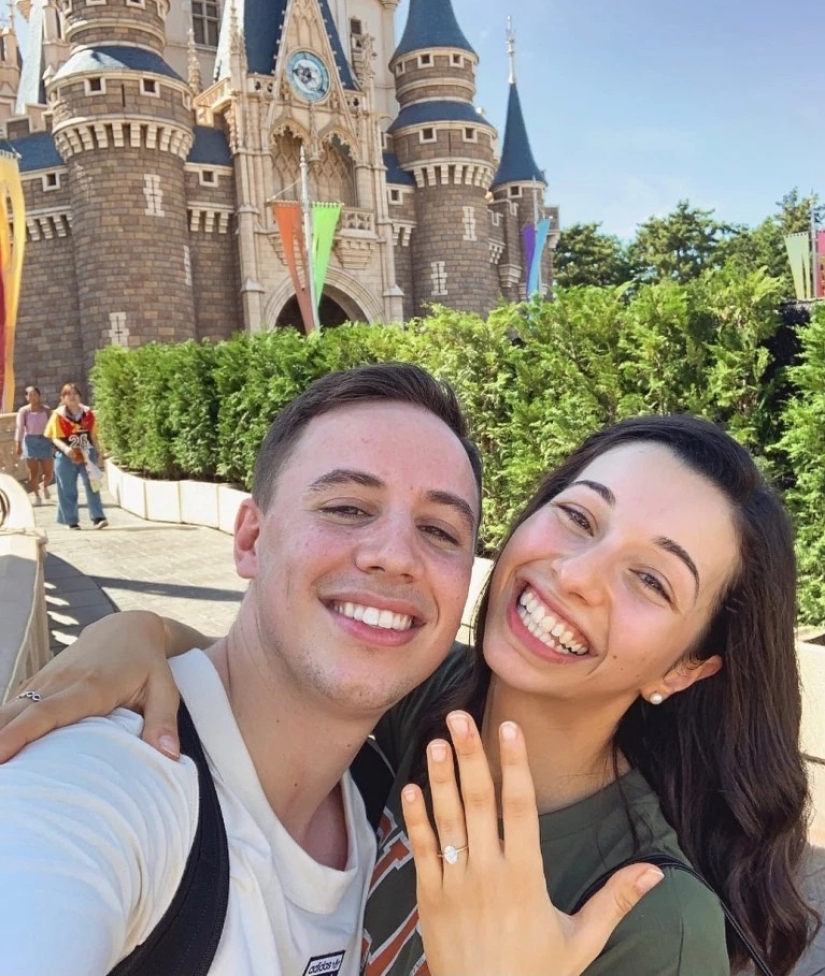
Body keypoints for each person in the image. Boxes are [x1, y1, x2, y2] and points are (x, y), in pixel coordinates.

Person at [0, 363, 654, 976]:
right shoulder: (98, 789)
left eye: (439, 530)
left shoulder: (384, 797)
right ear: (251, 538)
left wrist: (144, 626)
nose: (395, 555)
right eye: (345, 507)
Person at [45, 382, 108, 530]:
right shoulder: (58, 415)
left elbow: (93, 435)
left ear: (80, 396)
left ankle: (98, 517)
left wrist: (99, 452)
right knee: (67, 488)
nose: (72, 397)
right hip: (66, 454)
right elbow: (54, 437)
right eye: (68, 394)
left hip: (87, 452)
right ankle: (71, 520)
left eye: (75, 393)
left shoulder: (87, 414)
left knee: (92, 484)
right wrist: (66, 449)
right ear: (63, 398)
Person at [13, 385, 53, 505]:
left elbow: (52, 427)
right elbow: (20, 428)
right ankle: (37, 496)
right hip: (30, 442)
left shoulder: (46, 410)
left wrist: (55, 441)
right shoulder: (24, 411)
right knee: (33, 472)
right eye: (29, 395)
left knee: (49, 473)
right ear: (26, 397)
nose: (32, 397)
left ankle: (44, 485)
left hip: (45, 440)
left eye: (34, 394)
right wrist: (18, 444)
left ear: (39, 396)